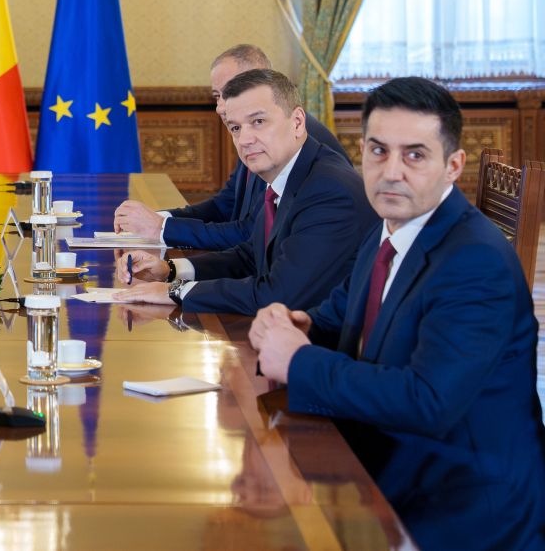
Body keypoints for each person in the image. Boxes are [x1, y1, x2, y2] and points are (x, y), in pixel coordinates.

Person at [249, 77, 545, 550]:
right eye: (378, 151)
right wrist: (296, 324)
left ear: (453, 166)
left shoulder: (476, 262)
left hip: (461, 510)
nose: (391, 172)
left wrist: (299, 360)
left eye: (414, 156)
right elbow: (338, 316)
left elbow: (428, 401)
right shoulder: (387, 229)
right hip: (387, 470)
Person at [117, 69, 376, 314]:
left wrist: (175, 291)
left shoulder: (328, 191)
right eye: (236, 128)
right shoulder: (286, 173)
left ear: (297, 122)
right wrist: (169, 269)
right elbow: (251, 257)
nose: (244, 140)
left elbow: (277, 294)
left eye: (258, 122)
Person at [114, 44, 349, 250]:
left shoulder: (293, 139)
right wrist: (160, 219)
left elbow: (251, 234)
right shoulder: (248, 133)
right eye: (217, 96)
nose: (220, 107)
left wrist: (162, 228)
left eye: (230, 92)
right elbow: (224, 206)